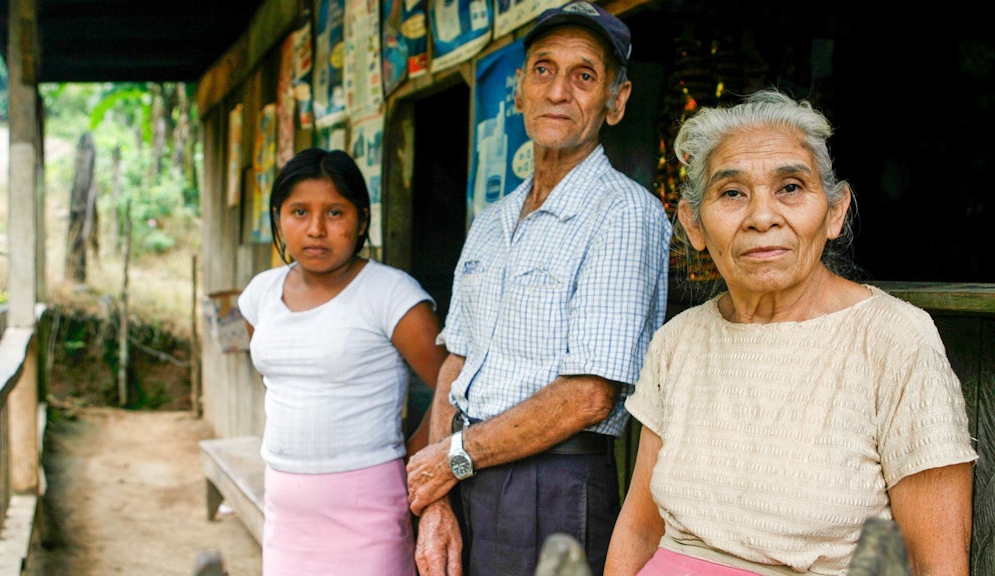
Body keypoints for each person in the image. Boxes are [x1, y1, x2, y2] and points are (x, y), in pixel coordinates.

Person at [604, 89, 979, 576]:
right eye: (732, 193)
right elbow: (639, 529)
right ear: (694, 224)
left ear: (836, 212)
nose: (763, 217)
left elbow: (939, 565)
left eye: (791, 188)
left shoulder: (895, 339)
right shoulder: (678, 341)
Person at [405, 2, 673, 574]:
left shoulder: (624, 215)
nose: (558, 92)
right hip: (464, 475)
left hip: (549, 485)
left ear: (616, 101)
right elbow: (456, 363)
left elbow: (588, 396)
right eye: (543, 70)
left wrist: (448, 460)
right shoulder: (491, 220)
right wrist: (438, 499)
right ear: (519, 91)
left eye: (584, 75)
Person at [236, 147, 447, 575]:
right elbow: (282, 385)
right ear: (278, 217)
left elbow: (453, 387)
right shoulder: (260, 295)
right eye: (299, 212)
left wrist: (414, 457)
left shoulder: (392, 295)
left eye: (335, 213)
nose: (315, 229)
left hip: (368, 505)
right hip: (284, 505)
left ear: (361, 219)